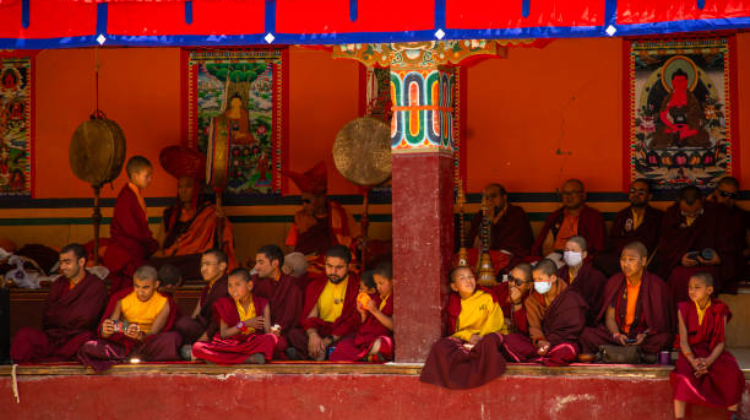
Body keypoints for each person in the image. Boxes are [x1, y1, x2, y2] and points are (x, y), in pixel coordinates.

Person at [10, 244, 107, 363]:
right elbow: (47, 316)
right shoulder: (59, 283)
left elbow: (86, 319)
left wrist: (60, 316)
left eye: (67, 262)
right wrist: (66, 317)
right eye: (61, 263)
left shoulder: (95, 286)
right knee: (24, 335)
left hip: (75, 339)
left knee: (87, 340)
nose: (63, 267)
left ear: (81, 262)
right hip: (53, 338)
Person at [579, 242, 674, 361]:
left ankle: (613, 353)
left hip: (642, 337)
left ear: (643, 261)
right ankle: (636, 355)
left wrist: (644, 335)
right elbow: (609, 318)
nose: (626, 264)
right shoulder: (615, 282)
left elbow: (659, 323)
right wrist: (616, 335)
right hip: (619, 337)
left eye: (631, 260)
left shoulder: (656, 285)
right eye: (623, 260)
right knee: (586, 334)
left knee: (664, 339)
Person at [77, 266, 180, 372]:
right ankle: (128, 357)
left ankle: (128, 358)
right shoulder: (122, 298)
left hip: (147, 345)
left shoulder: (164, 303)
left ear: (156, 284)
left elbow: (154, 333)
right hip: (123, 345)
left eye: (145, 287)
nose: (140, 292)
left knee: (172, 339)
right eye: (137, 286)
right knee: (89, 346)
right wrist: (107, 331)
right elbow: (111, 329)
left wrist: (140, 336)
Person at [670, 272, 744, 420]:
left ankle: (733, 414)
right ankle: (679, 417)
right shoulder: (683, 309)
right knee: (683, 377)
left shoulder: (720, 310)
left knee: (731, 372)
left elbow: (720, 342)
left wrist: (708, 362)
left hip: (713, 351)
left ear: (709, 290)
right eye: (690, 287)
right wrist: (693, 361)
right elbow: (683, 342)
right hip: (691, 352)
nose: (692, 291)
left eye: (697, 287)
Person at [155, 145, 237, 277]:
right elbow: (161, 244)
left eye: (187, 186)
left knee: (203, 263)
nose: (183, 190)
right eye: (180, 187)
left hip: (195, 260)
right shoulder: (170, 213)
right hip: (174, 259)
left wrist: (221, 221)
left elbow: (222, 242)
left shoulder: (209, 213)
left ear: (197, 189)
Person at [419, 266, 506, 389]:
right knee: (440, 346)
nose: (468, 280)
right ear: (455, 287)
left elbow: (495, 322)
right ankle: (453, 381)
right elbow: (456, 331)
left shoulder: (487, 297)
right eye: (462, 278)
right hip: (467, 338)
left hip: (487, 335)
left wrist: (480, 339)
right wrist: (469, 337)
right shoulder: (454, 304)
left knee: (490, 342)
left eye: (470, 277)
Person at [655, 186, 733, 303]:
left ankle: (704, 317)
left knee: (706, 280)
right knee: (677, 277)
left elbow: (730, 242)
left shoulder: (716, 213)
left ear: (702, 200)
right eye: (686, 212)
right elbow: (665, 245)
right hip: (680, 266)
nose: (691, 215)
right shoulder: (671, 215)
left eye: (696, 212)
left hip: (709, 266)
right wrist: (680, 258)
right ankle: (681, 317)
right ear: (678, 201)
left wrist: (718, 258)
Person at [502, 259, 587, 366]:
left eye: (540, 279)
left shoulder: (569, 296)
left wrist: (551, 342)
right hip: (541, 344)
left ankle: (544, 355)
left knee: (567, 349)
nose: (537, 283)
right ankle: (544, 355)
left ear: (553, 278)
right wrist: (540, 341)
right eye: (535, 279)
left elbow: (575, 327)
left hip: (562, 342)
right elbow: (534, 327)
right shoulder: (531, 300)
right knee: (511, 340)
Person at [287, 245, 360, 360]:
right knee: (294, 334)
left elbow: (353, 321)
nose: (333, 272)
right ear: (324, 264)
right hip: (320, 331)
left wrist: (326, 342)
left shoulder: (357, 286)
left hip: (340, 334)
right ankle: (323, 353)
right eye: (329, 266)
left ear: (348, 266)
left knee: (354, 339)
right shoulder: (315, 285)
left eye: (339, 267)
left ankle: (310, 353)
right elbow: (310, 317)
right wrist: (313, 335)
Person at [283, 162, 360, 271]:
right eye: (302, 201)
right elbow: (291, 248)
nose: (304, 206)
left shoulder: (340, 214)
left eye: (307, 201)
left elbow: (356, 240)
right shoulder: (300, 217)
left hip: (335, 265)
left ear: (321, 198)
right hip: (307, 266)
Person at [191, 268, 278, 364]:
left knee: (270, 338)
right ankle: (248, 359)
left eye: (237, 285)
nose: (233, 290)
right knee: (197, 347)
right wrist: (245, 324)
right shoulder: (224, 303)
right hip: (230, 344)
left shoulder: (262, 303)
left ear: (249, 285)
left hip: (250, 343)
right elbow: (224, 334)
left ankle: (218, 360)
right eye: (230, 286)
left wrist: (275, 332)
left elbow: (267, 332)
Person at [103, 156, 159, 294]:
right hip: (127, 251)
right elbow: (132, 230)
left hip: (136, 248)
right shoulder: (126, 198)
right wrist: (152, 245)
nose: (150, 179)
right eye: (147, 176)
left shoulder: (134, 194)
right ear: (135, 176)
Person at [595, 179, 663, 276]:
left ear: (649, 196)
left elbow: (660, 242)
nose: (636, 195)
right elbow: (614, 241)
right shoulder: (621, 215)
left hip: (645, 259)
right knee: (600, 260)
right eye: (632, 191)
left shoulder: (658, 216)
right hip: (623, 258)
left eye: (641, 192)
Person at [330, 262, 394, 362]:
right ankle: (368, 356)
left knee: (385, 343)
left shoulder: (395, 299)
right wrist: (363, 313)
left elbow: (393, 325)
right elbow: (366, 324)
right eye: (377, 284)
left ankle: (366, 356)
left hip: (378, 339)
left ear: (393, 282)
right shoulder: (377, 298)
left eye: (381, 283)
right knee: (343, 345)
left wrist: (375, 311)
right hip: (367, 338)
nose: (378, 287)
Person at [463, 184, 533, 272]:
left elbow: (517, 245)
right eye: (487, 198)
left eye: (493, 196)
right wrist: (487, 221)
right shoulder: (481, 215)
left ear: (504, 197)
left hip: (507, 254)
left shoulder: (516, 213)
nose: (490, 201)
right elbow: (475, 245)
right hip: (486, 254)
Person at [173, 249, 229, 357]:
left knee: (183, 324)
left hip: (218, 333)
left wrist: (201, 341)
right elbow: (197, 314)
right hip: (204, 327)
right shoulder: (209, 287)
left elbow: (219, 320)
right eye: (202, 265)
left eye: (208, 264)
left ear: (222, 266)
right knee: (181, 324)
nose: (203, 269)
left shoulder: (226, 287)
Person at [251, 244, 303, 359]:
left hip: (281, 333)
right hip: (257, 330)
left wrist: (277, 329)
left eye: (260, 262)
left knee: (280, 342)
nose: (256, 267)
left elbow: (291, 317)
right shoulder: (254, 282)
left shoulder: (292, 285)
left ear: (275, 264)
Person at [531, 179, 605, 258]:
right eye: (565, 193)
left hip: (580, 259)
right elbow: (544, 246)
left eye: (573, 192)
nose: (568, 196)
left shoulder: (593, 217)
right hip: (555, 258)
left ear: (583, 195)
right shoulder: (555, 217)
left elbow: (599, 248)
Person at [649, 69, 711, 149]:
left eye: (682, 81)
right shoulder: (668, 98)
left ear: (686, 83)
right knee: (661, 135)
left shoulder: (691, 97)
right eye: (677, 81)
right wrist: (671, 125)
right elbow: (662, 114)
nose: (680, 84)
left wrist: (688, 123)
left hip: (688, 126)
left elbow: (696, 113)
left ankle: (683, 138)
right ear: (672, 83)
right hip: (671, 127)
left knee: (699, 134)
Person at [707, 176, 747, 292]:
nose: (727, 199)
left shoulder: (740, 216)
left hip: (731, 261)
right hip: (707, 258)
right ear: (716, 192)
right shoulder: (705, 210)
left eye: (732, 196)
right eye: (723, 194)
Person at [557, 236, 607, 324]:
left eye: (573, 251)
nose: (569, 254)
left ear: (584, 254)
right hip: (561, 320)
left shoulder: (596, 277)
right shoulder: (559, 274)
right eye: (566, 250)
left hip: (585, 322)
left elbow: (598, 309)